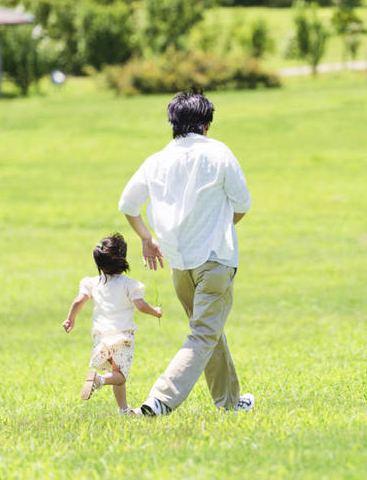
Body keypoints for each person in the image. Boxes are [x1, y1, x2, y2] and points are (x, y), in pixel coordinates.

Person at [119, 89, 254, 416]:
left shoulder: (157, 160)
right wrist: (222, 223)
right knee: (204, 334)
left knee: (208, 333)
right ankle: (159, 401)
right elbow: (243, 205)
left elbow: (128, 205)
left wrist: (146, 238)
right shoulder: (219, 153)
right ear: (207, 125)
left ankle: (231, 403)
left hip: (179, 266)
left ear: (173, 124)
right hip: (215, 260)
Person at [62, 233, 162, 415]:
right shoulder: (130, 285)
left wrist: (71, 318)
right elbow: (140, 306)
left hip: (101, 337)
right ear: (122, 260)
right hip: (122, 338)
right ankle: (98, 381)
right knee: (120, 375)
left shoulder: (92, 283)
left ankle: (123, 410)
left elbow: (79, 300)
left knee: (117, 374)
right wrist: (155, 311)